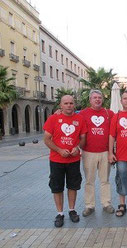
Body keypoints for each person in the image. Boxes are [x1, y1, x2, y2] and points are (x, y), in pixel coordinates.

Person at [43, 95, 87, 227]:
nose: (69, 105)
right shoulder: (53, 119)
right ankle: (60, 213)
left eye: (71, 103)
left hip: (73, 159)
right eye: (66, 103)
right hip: (56, 160)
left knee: (73, 186)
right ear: (61, 105)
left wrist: (78, 147)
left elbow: (83, 138)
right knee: (57, 187)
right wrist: (59, 150)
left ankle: (72, 210)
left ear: (74, 105)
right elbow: (46, 139)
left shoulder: (80, 119)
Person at [79, 90, 115, 217]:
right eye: (95, 98)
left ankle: (106, 203)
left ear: (102, 100)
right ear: (90, 100)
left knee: (105, 180)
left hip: (105, 152)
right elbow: (70, 118)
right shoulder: (83, 113)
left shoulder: (109, 113)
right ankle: (89, 205)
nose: (97, 100)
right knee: (89, 180)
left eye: (99, 97)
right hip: (88, 152)